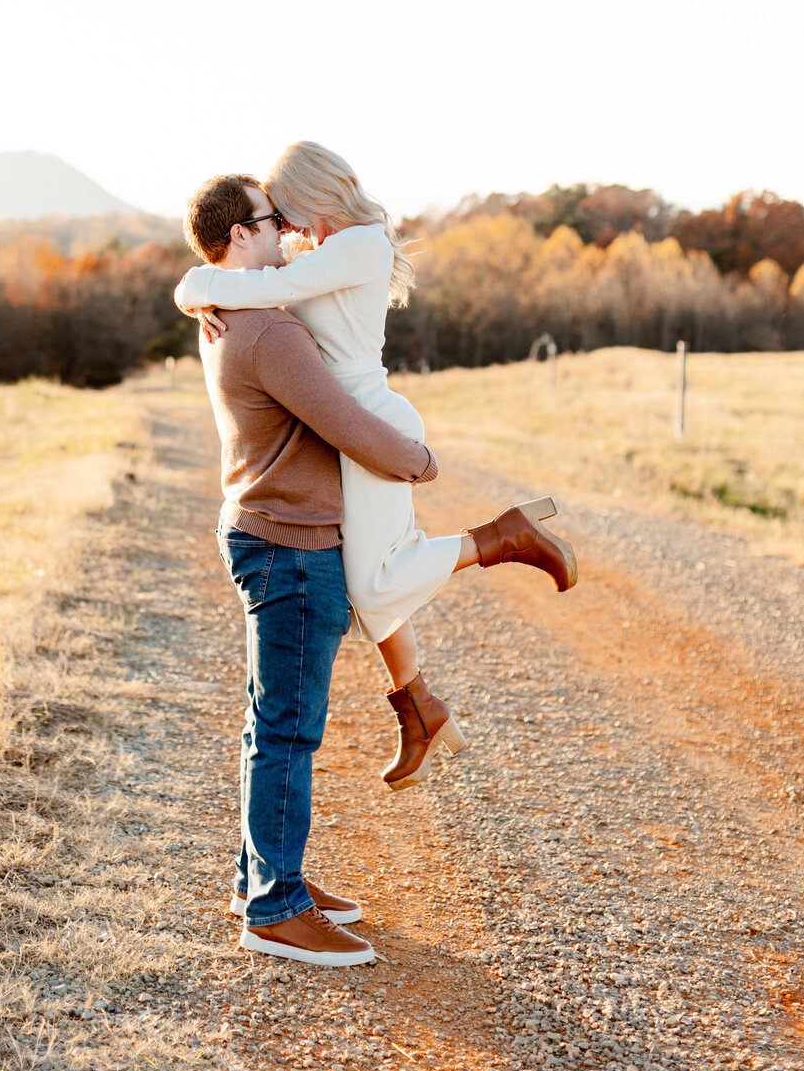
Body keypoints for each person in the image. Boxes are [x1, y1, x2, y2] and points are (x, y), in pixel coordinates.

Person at [176, 142, 577, 794]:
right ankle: (417, 706)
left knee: (369, 588)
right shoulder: (321, 252)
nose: (286, 226)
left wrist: (197, 288)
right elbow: (260, 285)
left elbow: (268, 288)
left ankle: (502, 538)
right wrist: (199, 294)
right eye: (273, 218)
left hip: (371, 426)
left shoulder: (361, 245)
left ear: (313, 192)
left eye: (286, 212)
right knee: (366, 587)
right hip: (350, 430)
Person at [184, 172, 445, 968]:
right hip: (292, 545)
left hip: (263, 531)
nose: (287, 235)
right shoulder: (270, 333)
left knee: (270, 722)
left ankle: (262, 879)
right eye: (272, 223)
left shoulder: (227, 313)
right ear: (240, 237)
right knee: (289, 728)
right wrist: (419, 461)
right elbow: (348, 424)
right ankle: (276, 910)